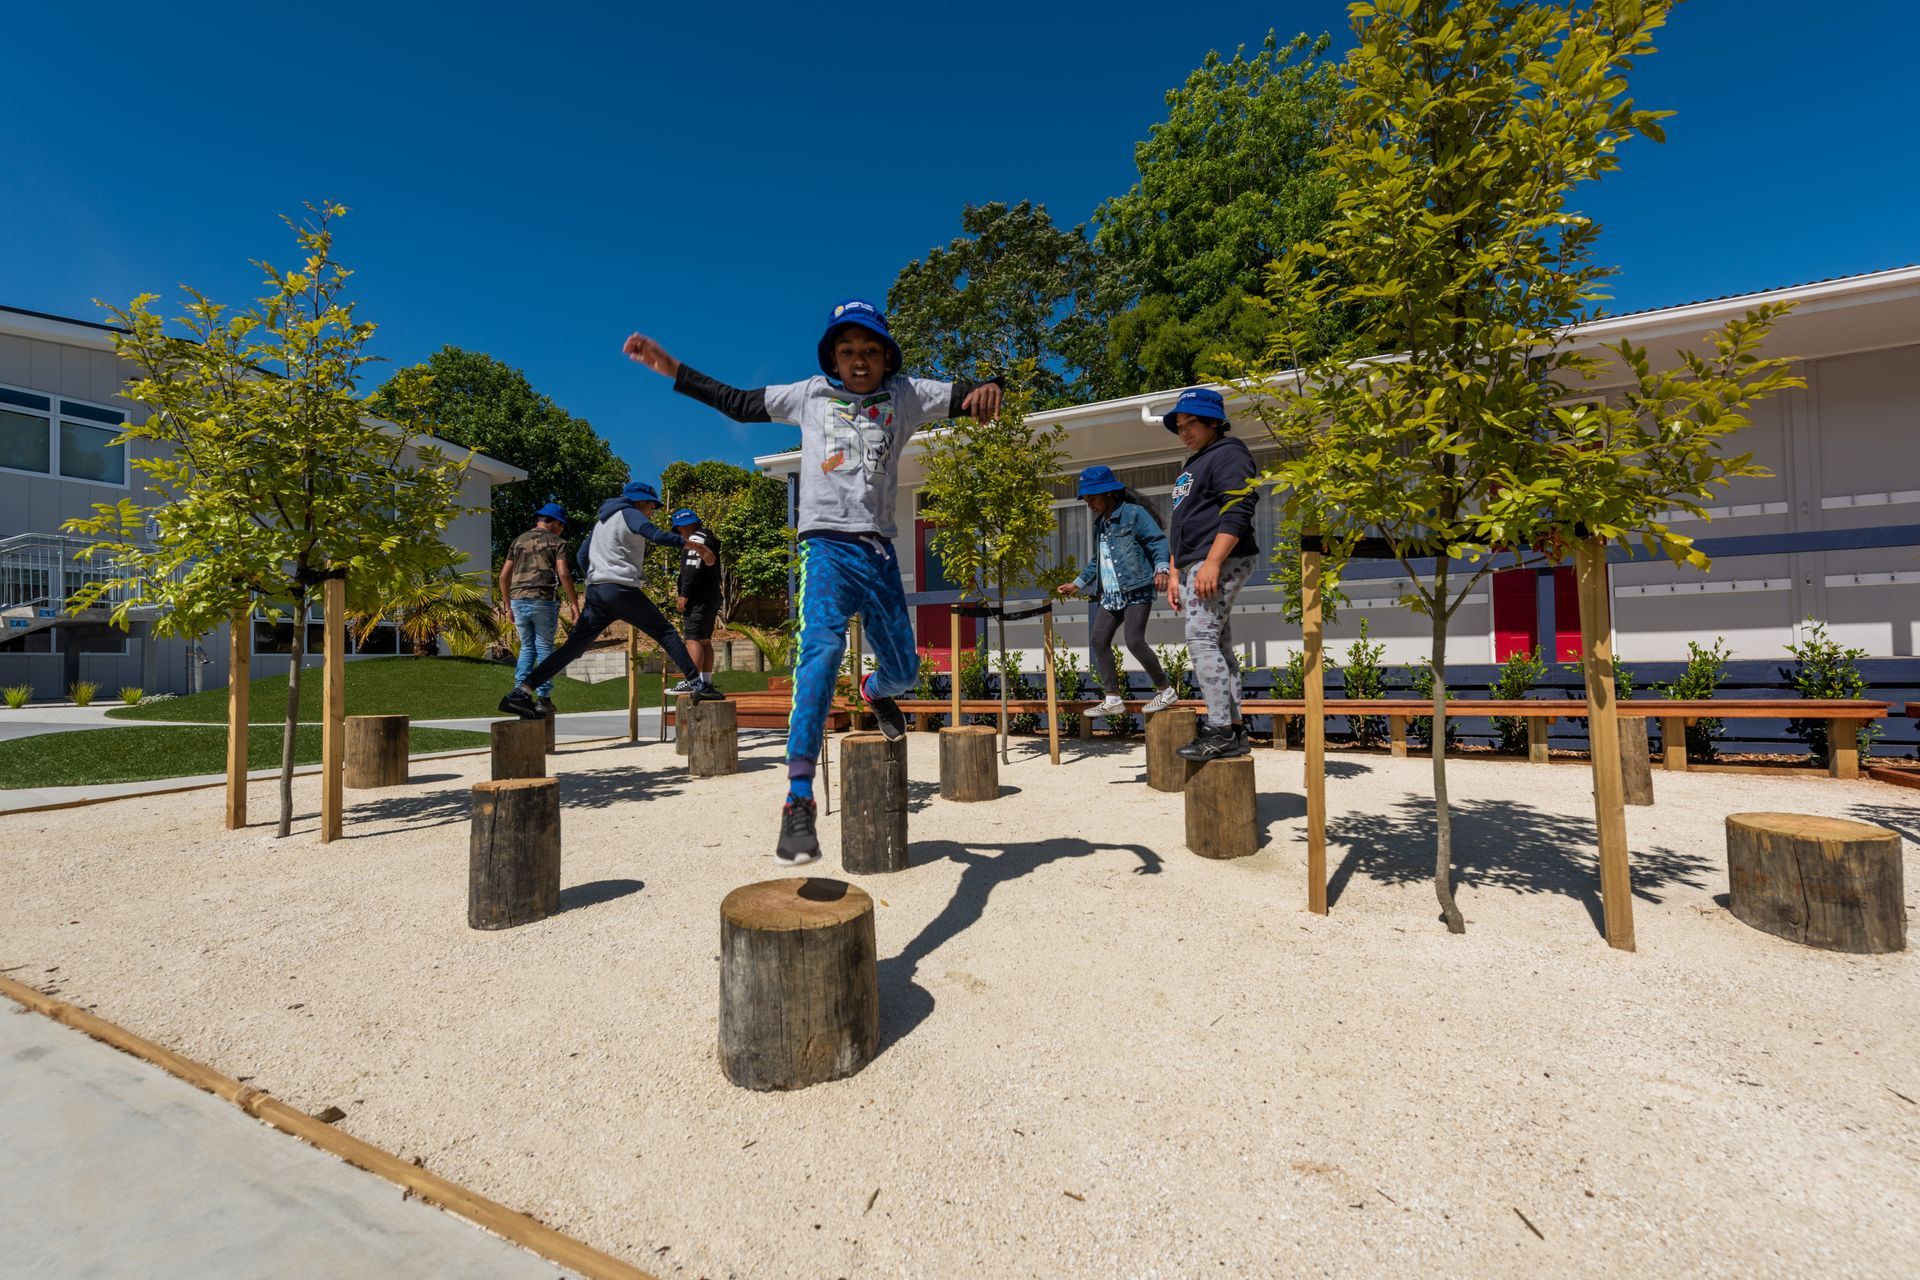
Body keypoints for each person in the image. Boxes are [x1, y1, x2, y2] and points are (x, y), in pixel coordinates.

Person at [623, 298, 1002, 864]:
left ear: (886, 357)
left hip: (878, 554)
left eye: (870, 351)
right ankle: (798, 799)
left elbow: (968, 390)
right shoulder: (807, 395)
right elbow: (738, 402)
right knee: (819, 653)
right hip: (824, 548)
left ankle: (876, 693)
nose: (859, 360)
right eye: (848, 350)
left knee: (906, 670)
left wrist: (990, 388)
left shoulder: (904, 395)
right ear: (832, 356)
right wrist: (674, 369)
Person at [497, 481, 716, 719]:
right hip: (621, 590)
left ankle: (521, 692)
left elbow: (582, 555)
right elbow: (654, 534)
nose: (652, 511)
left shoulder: (602, 520)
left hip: (597, 593)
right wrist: (697, 548)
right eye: (652, 506)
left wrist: (596, 576)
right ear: (641, 501)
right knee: (666, 632)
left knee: (573, 648)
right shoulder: (630, 512)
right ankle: (697, 683)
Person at [1163, 388, 1260, 762]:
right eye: (1180, 425)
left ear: (1214, 423)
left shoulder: (1229, 453)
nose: (1184, 431)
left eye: (1192, 423)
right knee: (1217, 644)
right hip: (1193, 564)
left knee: (1201, 639)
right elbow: (1181, 524)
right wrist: (1174, 572)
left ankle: (1218, 728)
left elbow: (1238, 509)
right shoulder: (1193, 464)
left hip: (1219, 559)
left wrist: (1214, 562)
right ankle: (1233, 730)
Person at [1055, 466, 1180, 718]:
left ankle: (1166, 691)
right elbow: (1097, 560)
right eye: (1086, 499)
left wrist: (1162, 569)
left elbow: (1156, 542)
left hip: (1136, 588)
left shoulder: (1134, 514)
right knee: (1098, 640)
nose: (1088, 503)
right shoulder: (1100, 524)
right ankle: (1112, 698)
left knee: (1134, 640)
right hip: (1111, 594)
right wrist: (1077, 583)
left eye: (1091, 497)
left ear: (1108, 493)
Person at [498, 502, 582, 718]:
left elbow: (503, 576)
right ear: (553, 523)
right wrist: (574, 603)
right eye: (561, 525)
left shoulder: (518, 541)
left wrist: (508, 605)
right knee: (544, 646)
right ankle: (544, 698)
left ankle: (520, 695)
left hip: (518, 600)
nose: (562, 529)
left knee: (527, 647)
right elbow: (563, 574)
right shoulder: (557, 542)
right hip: (542, 599)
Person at [668, 507, 723, 697]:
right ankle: (705, 683)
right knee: (704, 639)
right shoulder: (708, 536)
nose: (680, 532)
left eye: (680, 528)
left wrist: (684, 595)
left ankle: (691, 681)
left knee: (692, 638)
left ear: (687, 525)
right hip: (711, 595)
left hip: (698, 598)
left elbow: (692, 568)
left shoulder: (696, 539)